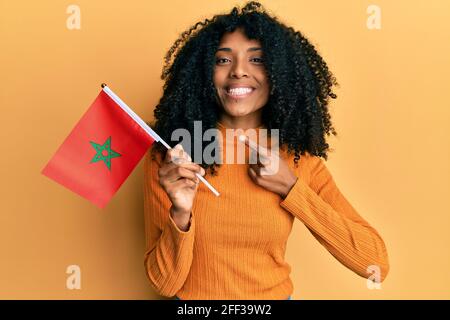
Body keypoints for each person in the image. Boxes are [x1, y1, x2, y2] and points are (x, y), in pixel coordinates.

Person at [143, 1, 389, 300]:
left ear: (279, 74)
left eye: (257, 60)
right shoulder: (173, 157)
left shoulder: (298, 160)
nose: (238, 72)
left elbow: (375, 264)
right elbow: (164, 284)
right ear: (203, 73)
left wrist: (291, 187)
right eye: (222, 60)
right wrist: (180, 213)